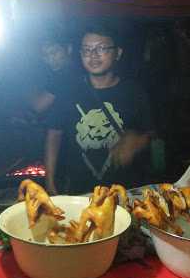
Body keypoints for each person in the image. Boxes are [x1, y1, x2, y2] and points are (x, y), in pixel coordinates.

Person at [44, 24, 155, 195]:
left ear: (117, 53)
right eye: (87, 50)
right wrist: (50, 181)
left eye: (101, 48)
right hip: (80, 192)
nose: (93, 55)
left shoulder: (134, 92)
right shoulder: (69, 91)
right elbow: (54, 134)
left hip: (126, 192)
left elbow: (152, 132)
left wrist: (137, 141)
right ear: (80, 54)